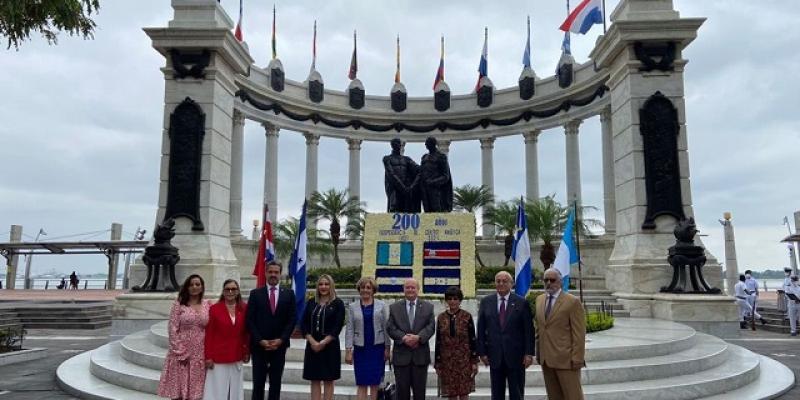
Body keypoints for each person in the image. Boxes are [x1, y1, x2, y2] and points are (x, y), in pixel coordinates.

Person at [476, 271, 534, 400]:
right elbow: (481, 328)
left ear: (511, 284)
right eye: (498, 281)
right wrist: (482, 352)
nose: (501, 283)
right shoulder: (486, 302)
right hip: (494, 355)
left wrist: (529, 353)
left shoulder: (521, 302)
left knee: (517, 393)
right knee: (496, 394)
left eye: (504, 281)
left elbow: (529, 330)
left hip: (516, 356)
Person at [246, 261, 296, 400]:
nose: (273, 275)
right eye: (271, 272)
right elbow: (250, 320)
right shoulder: (255, 294)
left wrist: (281, 340)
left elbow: (292, 320)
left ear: (280, 274)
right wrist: (260, 340)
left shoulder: (289, 294)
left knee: (275, 383)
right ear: (266, 273)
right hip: (259, 346)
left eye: (276, 272)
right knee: (258, 383)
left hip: (279, 346)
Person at [535, 268, 586, 400]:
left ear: (560, 282)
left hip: (566, 360)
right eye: (546, 280)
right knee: (554, 396)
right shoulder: (539, 300)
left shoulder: (572, 302)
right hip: (546, 360)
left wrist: (577, 358)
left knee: (573, 396)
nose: (548, 283)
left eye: (552, 280)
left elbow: (579, 334)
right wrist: (539, 354)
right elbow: (539, 330)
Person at [158, 274, 211, 400]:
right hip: (181, 354)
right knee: (179, 392)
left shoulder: (207, 304)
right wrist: (180, 351)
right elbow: (172, 328)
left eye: (197, 284)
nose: (194, 287)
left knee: (196, 393)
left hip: (199, 353)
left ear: (202, 287)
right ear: (186, 287)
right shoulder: (179, 304)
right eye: (191, 284)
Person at [387, 278, 435, 400]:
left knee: (420, 393)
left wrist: (418, 338)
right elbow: (390, 328)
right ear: (403, 289)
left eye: (413, 287)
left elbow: (431, 327)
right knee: (402, 393)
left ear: (418, 290)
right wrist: (404, 338)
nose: (410, 290)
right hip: (401, 357)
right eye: (407, 287)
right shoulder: (394, 307)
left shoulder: (428, 307)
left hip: (420, 356)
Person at [345, 276, 391, 400]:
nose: (365, 290)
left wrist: (387, 348)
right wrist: (348, 350)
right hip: (360, 349)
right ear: (359, 289)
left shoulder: (381, 305)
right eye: (362, 287)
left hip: (377, 348)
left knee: (375, 383)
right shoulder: (352, 307)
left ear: (373, 290)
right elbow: (349, 329)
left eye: (368, 288)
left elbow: (386, 328)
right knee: (361, 383)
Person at [301, 274, 346, 400]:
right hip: (312, 346)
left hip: (330, 347)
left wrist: (323, 343)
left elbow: (337, 326)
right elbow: (303, 323)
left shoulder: (338, 303)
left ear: (331, 286)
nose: (323, 287)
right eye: (321, 284)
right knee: (314, 380)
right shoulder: (311, 302)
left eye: (326, 284)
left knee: (328, 380)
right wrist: (313, 342)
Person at [203, 279, 249, 400]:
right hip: (218, 357)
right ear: (223, 292)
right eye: (227, 289)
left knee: (235, 391)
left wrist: (246, 351)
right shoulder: (214, 309)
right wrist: (208, 357)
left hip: (237, 355)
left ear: (238, 291)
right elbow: (209, 334)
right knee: (216, 391)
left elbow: (246, 333)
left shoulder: (244, 308)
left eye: (233, 289)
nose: (230, 291)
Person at [434, 286, 478, 399]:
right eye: (450, 299)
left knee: (464, 392)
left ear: (460, 300)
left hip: (464, 360)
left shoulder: (466, 316)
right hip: (447, 360)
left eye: (455, 299)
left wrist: (474, 361)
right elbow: (438, 341)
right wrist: (438, 362)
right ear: (446, 300)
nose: (452, 301)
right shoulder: (441, 318)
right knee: (451, 393)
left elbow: (472, 338)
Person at [384, 138, 421, 213]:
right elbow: (391, 174)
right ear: (392, 145)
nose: (398, 145)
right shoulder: (387, 159)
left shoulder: (406, 159)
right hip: (394, 189)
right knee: (394, 209)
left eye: (399, 144)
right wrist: (403, 187)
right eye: (396, 144)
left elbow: (418, 169)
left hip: (407, 189)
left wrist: (412, 186)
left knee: (407, 210)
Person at [419, 136, 453, 212]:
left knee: (437, 212)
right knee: (427, 212)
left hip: (436, 190)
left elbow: (445, 176)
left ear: (433, 144)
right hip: (425, 189)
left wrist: (432, 182)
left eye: (427, 143)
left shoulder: (441, 157)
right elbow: (420, 172)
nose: (425, 144)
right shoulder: (424, 157)